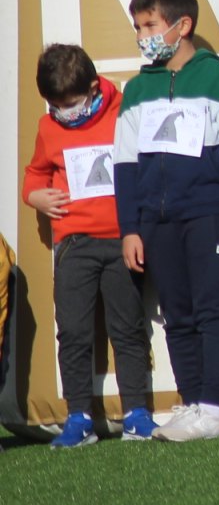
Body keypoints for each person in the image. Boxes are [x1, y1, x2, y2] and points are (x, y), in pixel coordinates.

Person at [113, 0, 219, 443]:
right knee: (178, 313)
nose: (141, 36)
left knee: (214, 308)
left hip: (211, 210)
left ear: (183, 25)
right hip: (157, 220)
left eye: (149, 25)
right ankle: (193, 402)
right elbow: (126, 165)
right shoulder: (135, 90)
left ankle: (214, 409)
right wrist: (130, 227)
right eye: (137, 27)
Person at [24, 45, 155, 446]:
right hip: (73, 245)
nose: (64, 111)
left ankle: (138, 414)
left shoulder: (123, 113)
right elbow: (34, 174)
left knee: (129, 329)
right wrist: (37, 197)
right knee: (74, 333)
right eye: (55, 105)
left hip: (121, 239)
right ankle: (78, 417)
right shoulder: (49, 128)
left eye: (71, 103)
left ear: (95, 87)